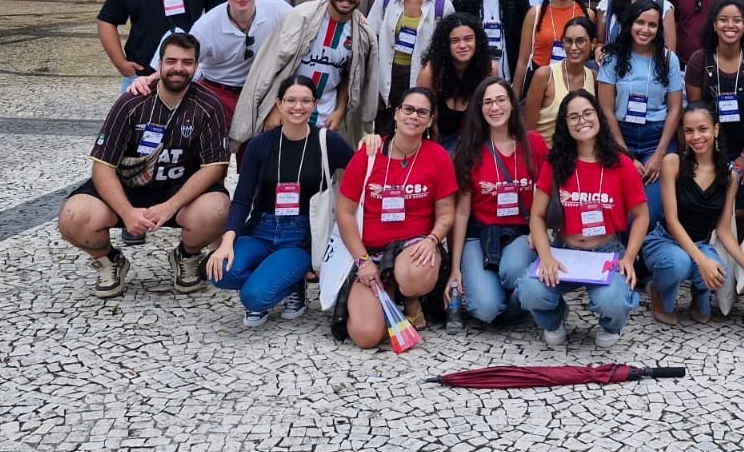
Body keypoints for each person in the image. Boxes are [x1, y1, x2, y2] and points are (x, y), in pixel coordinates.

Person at [57, 34, 230, 298]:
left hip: (181, 193)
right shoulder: (131, 102)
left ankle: (186, 256)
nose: (178, 68)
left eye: (187, 62)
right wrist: (127, 213)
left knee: (219, 209)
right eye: (171, 61)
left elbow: (214, 168)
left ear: (196, 67)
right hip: (129, 188)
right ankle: (109, 260)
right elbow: (102, 166)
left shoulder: (209, 105)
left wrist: (169, 207)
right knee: (73, 216)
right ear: (159, 64)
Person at [207, 74, 355, 326]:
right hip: (262, 229)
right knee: (218, 273)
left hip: (300, 236)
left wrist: (374, 143)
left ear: (315, 104)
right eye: (291, 100)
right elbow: (242, 197)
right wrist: (227, 240)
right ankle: (283, 279)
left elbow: (362, 170)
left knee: (254, 297)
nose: (298, 107)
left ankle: (286, 284)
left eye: (306, 101)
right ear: (279, 104)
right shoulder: (260, 145)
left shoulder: (326, 141)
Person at [517, 89, 650, 348]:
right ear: (565, 124)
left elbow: (642, 215)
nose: (582, 121)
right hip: (564, 250)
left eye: (587, 113)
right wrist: (546, 257)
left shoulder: (621, 164)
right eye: (573, 117)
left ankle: (611, 325)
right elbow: (537, 215)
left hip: (606, 251)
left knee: (613, 301)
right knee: (530, 290)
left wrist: (630, 258)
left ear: (598, 116)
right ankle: (554, 319)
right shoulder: (555, 163)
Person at [332, 86, 458, 347]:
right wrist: (363, 261)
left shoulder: (438, 157)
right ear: (397, 113)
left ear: (430, 120)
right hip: (371, 252)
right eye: (408, 109)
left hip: (413, 245)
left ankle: (409, 296)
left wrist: (432, 240)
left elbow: (446, 214)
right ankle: (388, 292)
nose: (414, 116)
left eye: (422, 112)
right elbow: (343, 213)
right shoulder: (369, 154)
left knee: (415, 272)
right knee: (366, 337)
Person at [232, 0, 380, 148]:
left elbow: (350, 76)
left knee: (320, 170)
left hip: (326, 114)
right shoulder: (301, 17)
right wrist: (274, 109)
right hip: (288, 110)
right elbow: (274, 66)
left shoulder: (361, 33)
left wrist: (340, 111)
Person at [133, 0, 291, 126]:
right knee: (216, 147)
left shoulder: (278, 10)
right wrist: (150, 79)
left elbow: (305, 31)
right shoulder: (206, 27)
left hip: (261, 93)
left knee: (256, 148)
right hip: (218, 92)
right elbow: (183, 60)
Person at [447, 75, 548, 325]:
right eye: (488, 102)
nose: (495, 107)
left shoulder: (533, 143)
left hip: (521, 231)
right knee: (486, 309)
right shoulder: (470, 149)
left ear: (512, 104)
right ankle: (507, 296)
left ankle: (532, 299)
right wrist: (455, 268)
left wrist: (540, 233)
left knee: (512, 271)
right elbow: (461, 213)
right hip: (480, 233)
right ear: (479, 109)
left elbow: (544, 193)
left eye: (501, 100)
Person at [643, 101, 744, 323]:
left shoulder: (729, 177)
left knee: (720, 270)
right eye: (689, 131)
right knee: (679, 263)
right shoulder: (673, 163)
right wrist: (701, 260)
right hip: (665, 240)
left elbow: (724, 230)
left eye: (703, 129)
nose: (696, 136)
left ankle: (698, 294)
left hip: (700, 242)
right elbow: (672, 221)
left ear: (716, 130)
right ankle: (658, 293)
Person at [685, 0, 744, 230]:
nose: (730, 25)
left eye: (737, 20)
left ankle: (741, 261)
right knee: (712, 210)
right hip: (710, 148)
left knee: (741, 212)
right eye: (723, 19)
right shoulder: (699, 60)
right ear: (714, 24)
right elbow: (695, 113)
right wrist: (707, 156)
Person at [597, 0, 684, 227]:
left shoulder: (668, 59)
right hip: (620, 136)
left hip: (656, 138)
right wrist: (624, 153)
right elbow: (606, 108)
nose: (645, 29)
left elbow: (675, 107)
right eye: (639, 22)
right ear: (629, 24)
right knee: (620, 209)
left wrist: (659, 154)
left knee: (651, 211)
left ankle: (645, 257)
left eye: (652, 25)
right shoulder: (612, 57)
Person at [368, 0, 452, 110]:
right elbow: (370, 39)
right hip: (387, 75)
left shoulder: (443, 6)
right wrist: (372, 87)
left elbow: (446, 52)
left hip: (422, 78)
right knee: (384, 130)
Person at [416, 13, 495, 152]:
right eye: (455, 41)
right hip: (438, 142)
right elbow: (421, 118)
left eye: (468, 39)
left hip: (477, 141)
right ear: (445, 44)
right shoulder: (430, 72)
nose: (463, 45)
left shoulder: (489, 70)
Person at [518, 0, 594, 92]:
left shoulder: (588, 14)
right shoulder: (534, 14)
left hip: (576, 84)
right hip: (540, 83)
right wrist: (515, 99)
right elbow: (523, 62)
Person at [524, 14, 599, 142]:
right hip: (546, 156)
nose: (573, 47)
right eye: (568, 41)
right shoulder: (544, 75)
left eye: (580, 41)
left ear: (593, 43)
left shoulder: (594, 77)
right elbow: (529, 131)